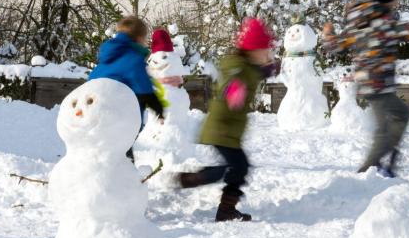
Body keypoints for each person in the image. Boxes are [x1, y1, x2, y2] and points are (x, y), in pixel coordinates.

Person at [323, 0, 409, 177]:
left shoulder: (358, 23)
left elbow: (336, 45)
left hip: (369, 83)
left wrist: (328, 33)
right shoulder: (383, 22)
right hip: (379, 84)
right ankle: (367, 171)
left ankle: (383, 160)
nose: (396, 3)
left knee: (396, 118)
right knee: (387, 127)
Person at [177, 18, 276, 222]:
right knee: (237, 168)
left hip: (227, 130)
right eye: (264, 51)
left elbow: (254, 74)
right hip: (222, 128)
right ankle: (197, 181)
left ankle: (223, 207)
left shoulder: (247, 67)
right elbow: (231, 84)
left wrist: (268, 69)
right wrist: (234, 92)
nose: (268, 55)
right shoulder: (238, 68)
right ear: (252, 50)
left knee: (238, 168)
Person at [89, 16, 165, 160]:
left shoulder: (105, 61)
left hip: (94, 118)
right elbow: (145, 91)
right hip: (118, 121)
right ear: (139, 38)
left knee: (102, 156)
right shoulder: (133, 59)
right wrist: (159, 109)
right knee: (122, 158)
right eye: (145, 38)